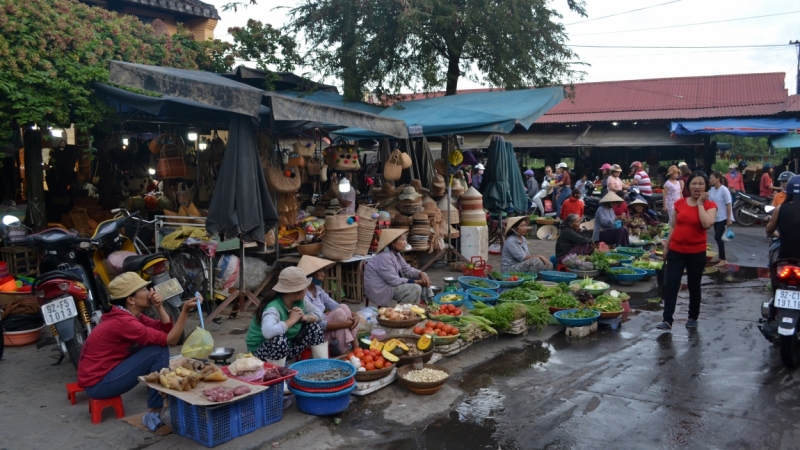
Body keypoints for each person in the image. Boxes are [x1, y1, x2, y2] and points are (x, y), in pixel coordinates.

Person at [77, 272, 199, 426]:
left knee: (155, 346)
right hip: (98, 385)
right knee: (157, 351)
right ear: (131, 300)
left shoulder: (132, 316)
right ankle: (155, 410)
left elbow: (165, 329)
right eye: (144, 290)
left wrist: (159, 307)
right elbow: (171, 339)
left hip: (104, 376)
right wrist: (185, 311)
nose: (150, 292)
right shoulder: (124, 322)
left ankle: (157, 396)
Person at [656, 171, 717, 331]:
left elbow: (706, 224)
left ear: (706, 187)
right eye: (694, 183)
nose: (697, 187)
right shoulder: (680, 204)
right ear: (688, 186)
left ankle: (692, 317)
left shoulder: (710, 205)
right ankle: (667, 319)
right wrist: (667, 246)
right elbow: (674, 226)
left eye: (701, 184)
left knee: (694, 285)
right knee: (671, 285)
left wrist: (700, 204)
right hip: (676, 250)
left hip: (696, 252)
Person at [246, 267, 327, 365]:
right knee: (279, 340)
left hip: (286, 348)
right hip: (259, 354)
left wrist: (304, 317)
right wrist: (292, 320)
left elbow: (319, 314)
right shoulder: (273, 308)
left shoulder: (301, 301)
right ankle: (276, 375)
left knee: (314, 327)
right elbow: (268, 332)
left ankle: (322, 366)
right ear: (293, 291)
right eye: (304, 287)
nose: (306, 289)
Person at [297, 256, 360, 356]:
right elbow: (320, 324)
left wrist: (355, 316)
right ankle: (352, 352)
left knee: (343, 307)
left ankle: (355, 352)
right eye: (319, 272)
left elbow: (336, 305)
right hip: (312, 334)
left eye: (323, 271)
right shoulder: (302, 295)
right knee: (339, 314)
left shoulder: (318, 290)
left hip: (325, 330)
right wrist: (347, 324)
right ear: (309, 275)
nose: (323, 274)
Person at [363, 229, 431, 307]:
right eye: (403, 239)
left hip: (389, 284)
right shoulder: (384, 257)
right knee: (415, 288)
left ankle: (424, 304)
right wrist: (417, 282)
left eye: (405, 239)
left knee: (424, 276)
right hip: (380, 289)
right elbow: (394, 281)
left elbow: (407, 269)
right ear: (393, 243)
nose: (405, 242)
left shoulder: (396, 254)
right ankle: (404, 313)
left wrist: (420, 273)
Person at [766, 175, 800, 260]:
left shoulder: (780, 208)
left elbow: (769, 230)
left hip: (784, 258)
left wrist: (776, 234)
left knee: (773, 268)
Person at [708, 171, 733, 267]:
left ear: (718, 179)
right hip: (715, 217)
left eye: (712, 178)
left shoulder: (724, 190)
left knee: (718, 237)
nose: (710, 180)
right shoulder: (712, 190)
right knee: (719, 238)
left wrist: (729, 218)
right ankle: (720, 257)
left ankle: (723, 259)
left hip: (723, 217)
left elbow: (728, 204)